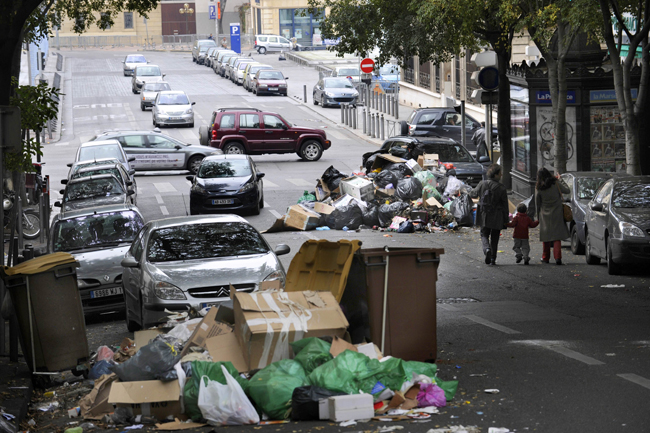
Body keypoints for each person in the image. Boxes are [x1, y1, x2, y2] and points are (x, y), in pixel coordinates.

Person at [470, 164, 509, 265]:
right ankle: (493, 258)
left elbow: (473, 194)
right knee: (495, 237)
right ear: (495, 174)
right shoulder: (501, 188)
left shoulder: (482, 184)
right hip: (497, 215)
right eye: (500, 173)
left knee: (484, 234)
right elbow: (505, 205)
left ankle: (487, 249)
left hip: (484, 214)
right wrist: (506, 219)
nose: (501, 175)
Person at [535, 167, 570, 265]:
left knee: (546, 236)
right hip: (557, 212)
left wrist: (537, 216)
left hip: (544, 213)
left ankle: (545, 257)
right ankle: (558, 257)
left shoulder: (539, 187)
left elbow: (538, 203)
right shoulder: (556, 183)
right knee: (556, 236)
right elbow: (567, 190)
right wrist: (560, 179)